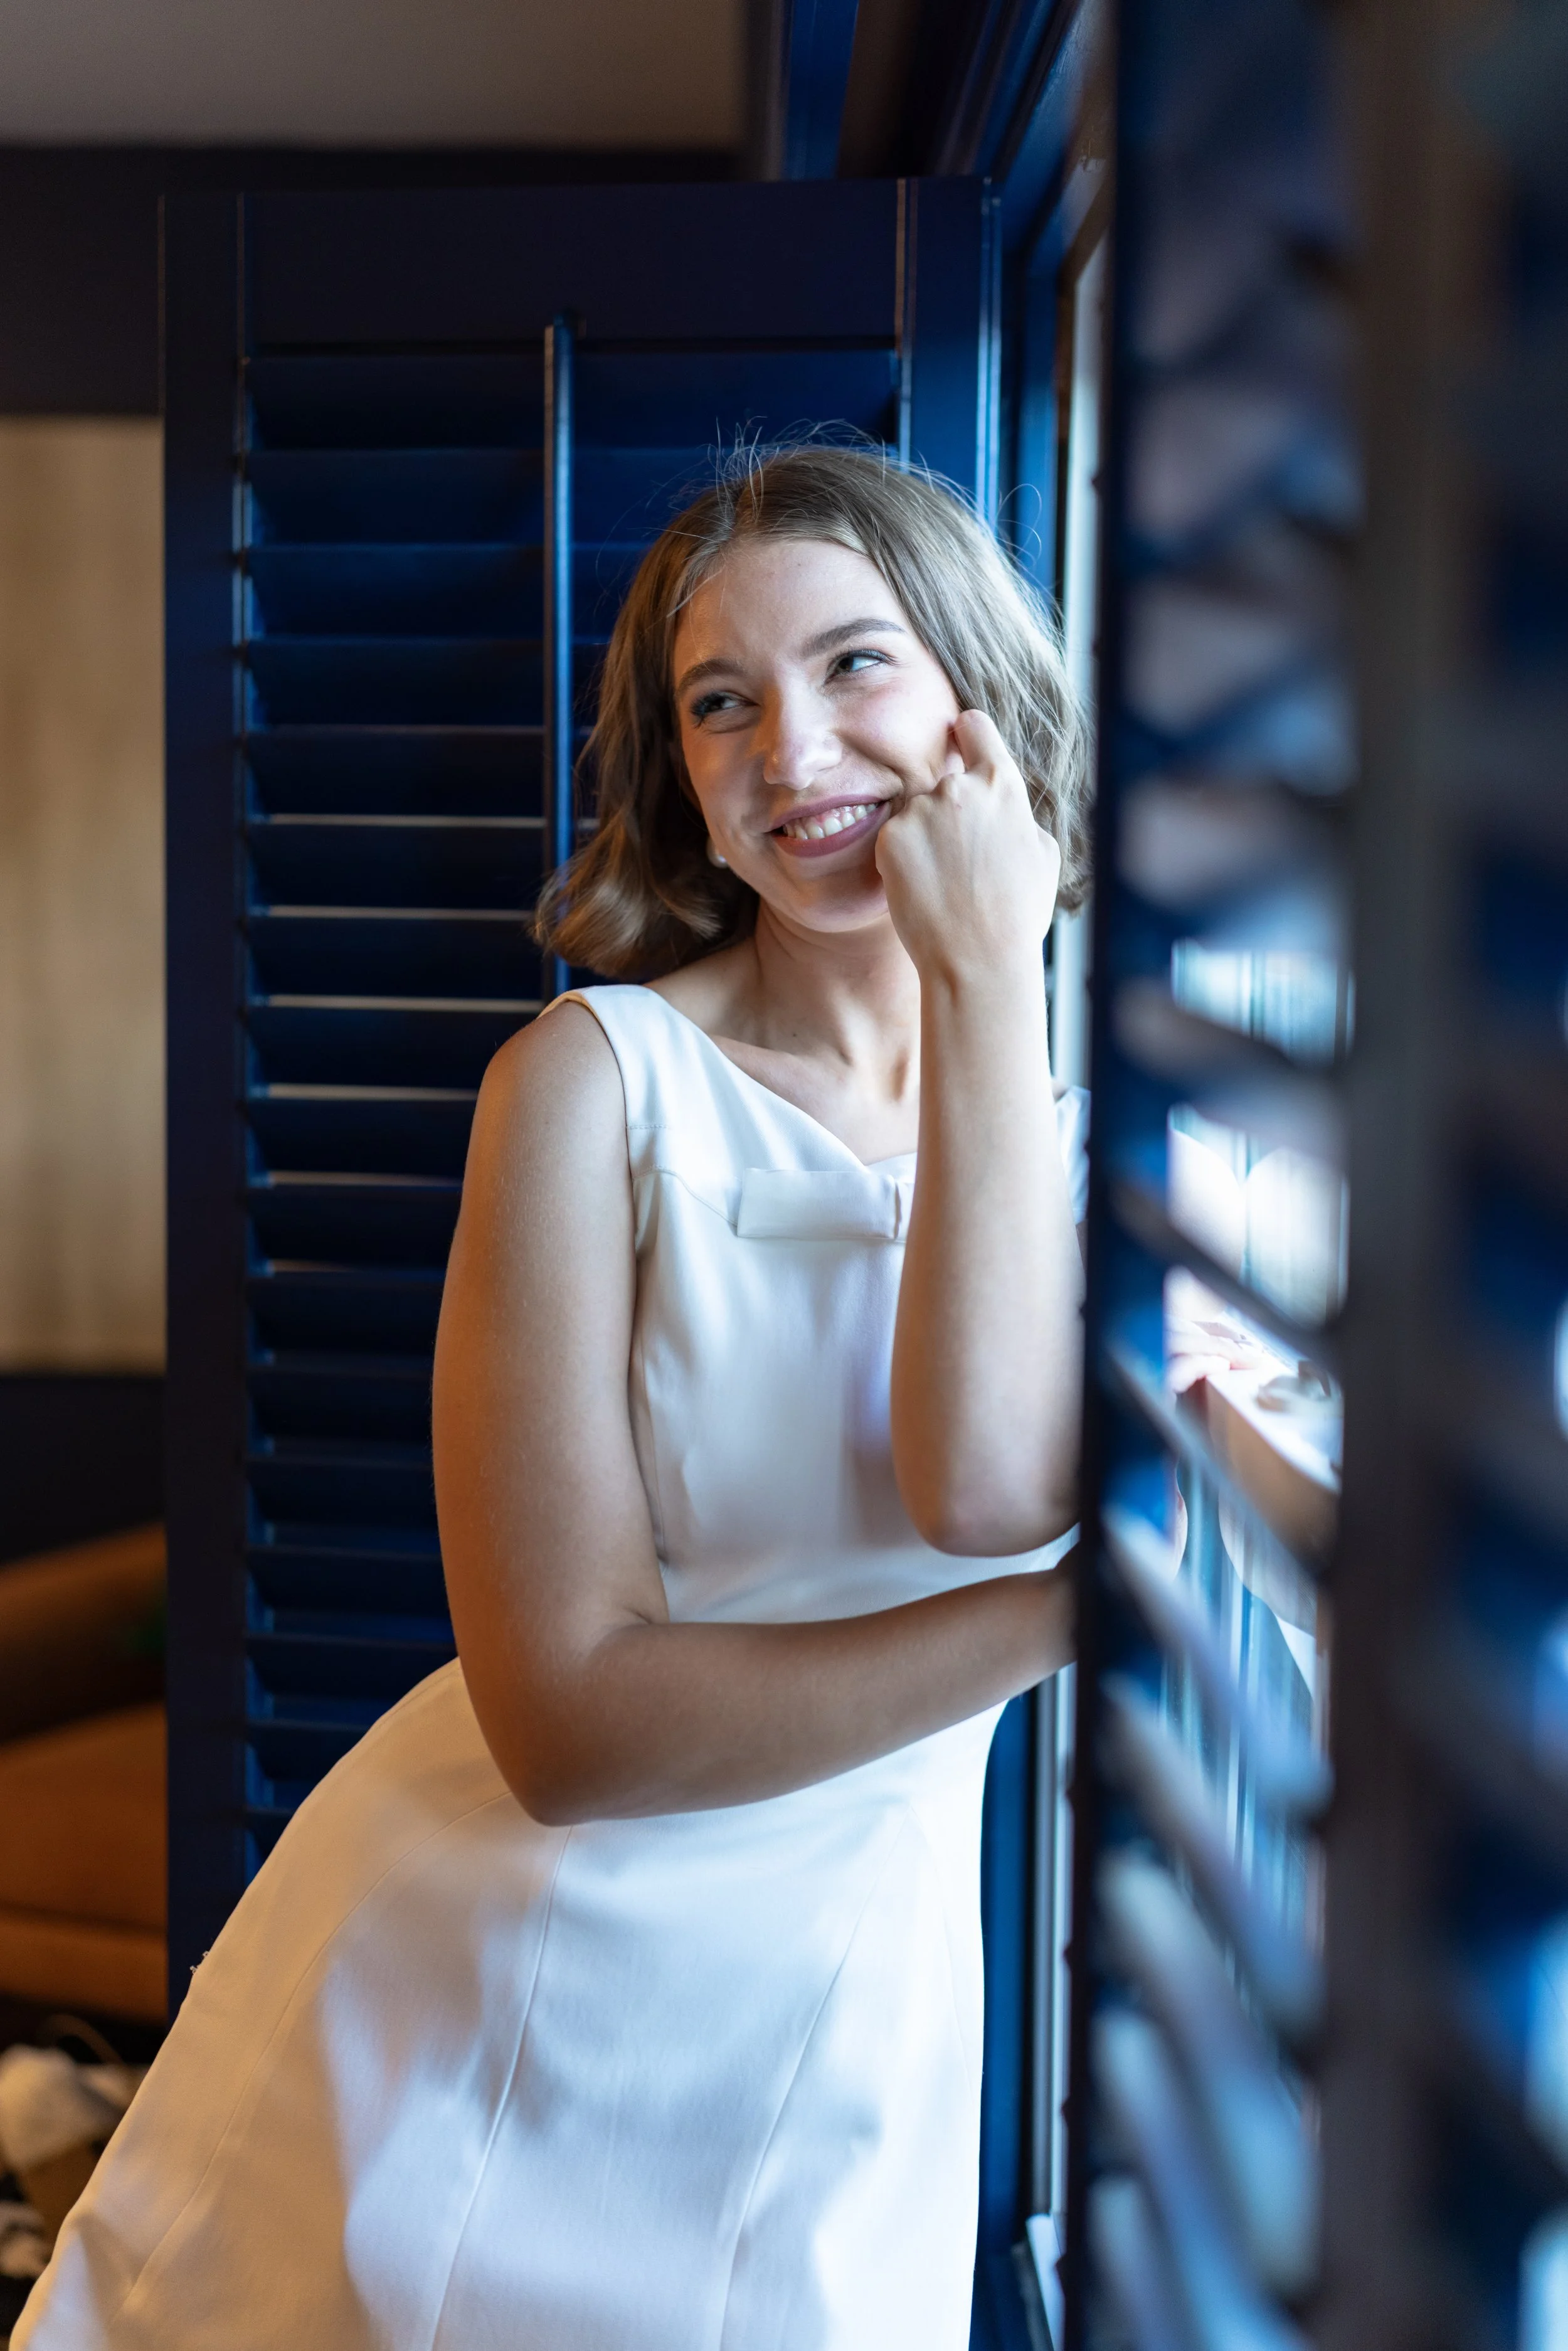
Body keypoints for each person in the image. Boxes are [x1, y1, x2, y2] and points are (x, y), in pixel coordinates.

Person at [16, 447, 1091, 2351]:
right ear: (681, 775)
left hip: (861, 2007)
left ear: (980, 704)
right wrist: (1075, 1618)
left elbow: (984, 1475)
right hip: (514, 1988)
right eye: (721, 701)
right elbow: (568, 1727)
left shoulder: (1104, 1101)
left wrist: (987, 982)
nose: (791, 751)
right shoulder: (590, 1085)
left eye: (855, 662)